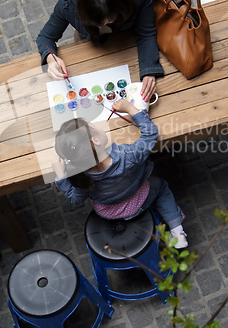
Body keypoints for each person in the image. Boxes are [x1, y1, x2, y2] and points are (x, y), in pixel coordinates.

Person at [51, 99, 188, 249]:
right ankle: (177, 231)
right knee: (161, 186)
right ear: (96, 140)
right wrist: (129, 108)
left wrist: (61, 176)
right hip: (138, 201)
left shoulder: (82, 177)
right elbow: (150, 134)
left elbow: (76, 199)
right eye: (94, 127)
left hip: (109, 213)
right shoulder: (128, 155)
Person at [36, 0, 164, 101]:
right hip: (90, 45)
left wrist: (149, 69)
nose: (105, 24)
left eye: (111, 19)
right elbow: (45, 37)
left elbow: (146, 33)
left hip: (128, 44)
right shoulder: (67, 3)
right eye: (99, 21)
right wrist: (51, 58)